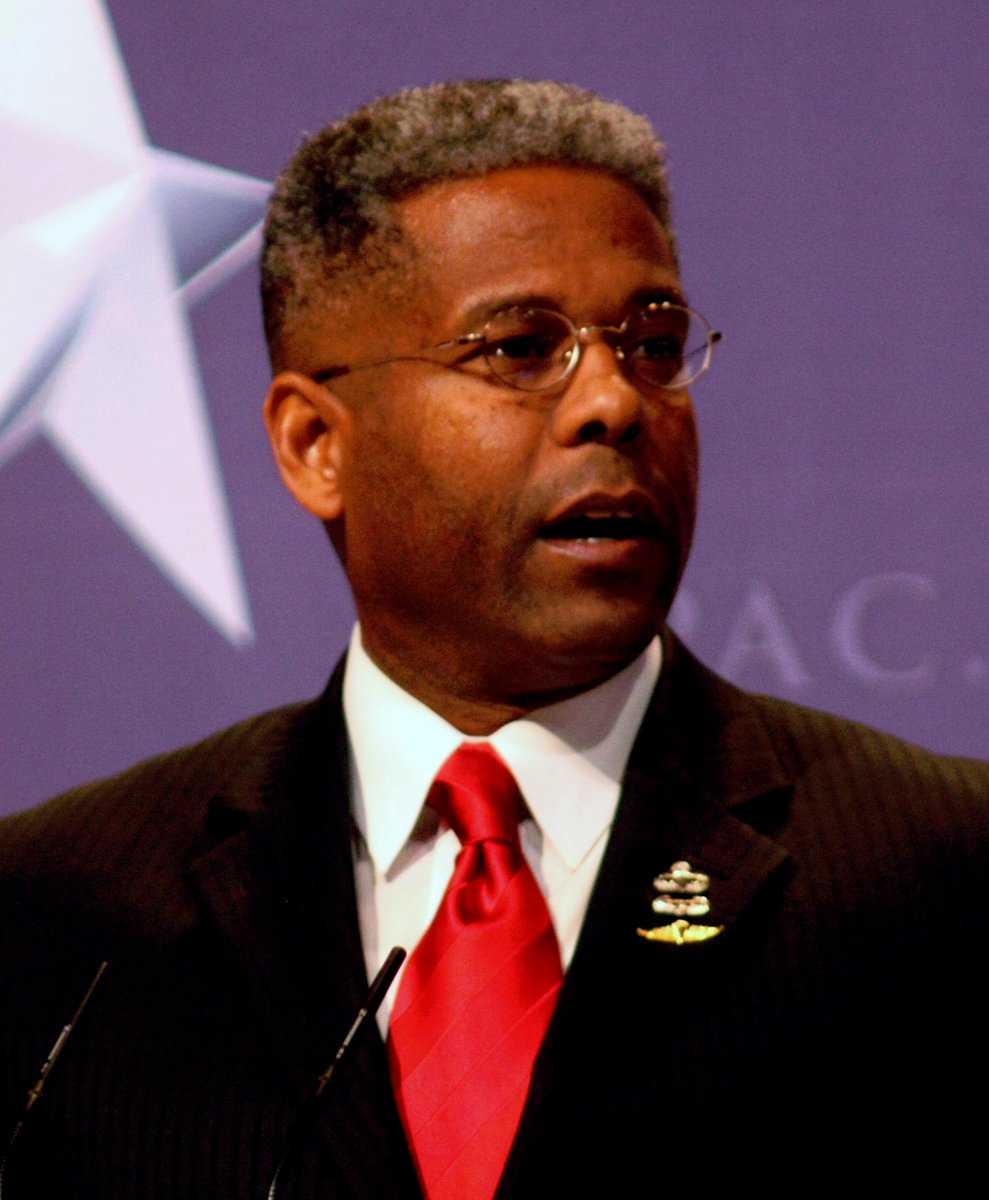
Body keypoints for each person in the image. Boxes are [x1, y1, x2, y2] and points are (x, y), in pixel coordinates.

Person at [0, 79, 987, 1199]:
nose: (614, 401)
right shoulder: (55, 924)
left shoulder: (942, 881)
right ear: (315, 443)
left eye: (652, 343)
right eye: (520, 349)